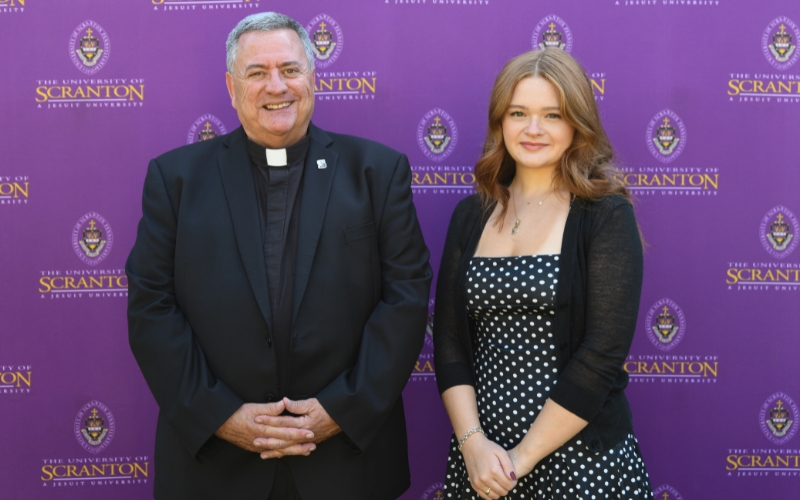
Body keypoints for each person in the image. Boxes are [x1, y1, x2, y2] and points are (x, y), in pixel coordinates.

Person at [126, 12, 431, 500]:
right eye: (256, 72)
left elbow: (406, 299)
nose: (277, 86)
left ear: (313, 77)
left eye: (290, 69)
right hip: (215, 468)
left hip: (347, 464)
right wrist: (220, 416)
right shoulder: (176, 180)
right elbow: (151, 307)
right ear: (231, 86)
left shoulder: (377, 173)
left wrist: (341, 410)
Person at [433, 48, 653, 500]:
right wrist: (474, 447)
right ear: (500, 122)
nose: (533, 130)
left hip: (581, 464)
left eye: (552, 115)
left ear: (576, 124)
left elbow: (601, 355)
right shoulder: (470, 215)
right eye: (519, 113)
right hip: (482, 464)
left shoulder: (605, 215)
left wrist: (520, 461)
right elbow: (450, 341)